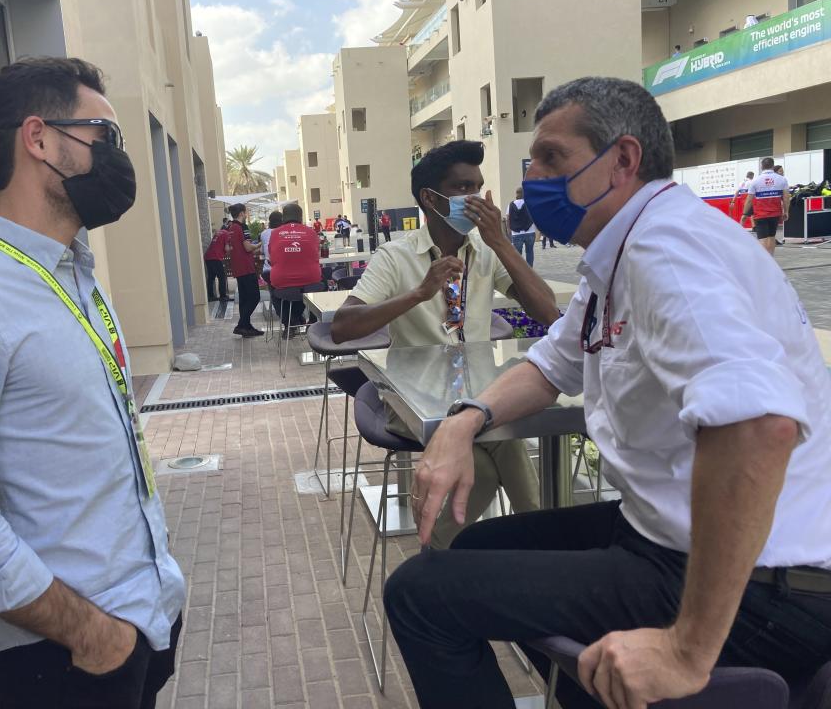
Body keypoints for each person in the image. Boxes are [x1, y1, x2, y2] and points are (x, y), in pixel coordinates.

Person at [383, 76, 831, 709]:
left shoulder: (668, 249)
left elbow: (758, 424)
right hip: (666, 534)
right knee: (480, 547)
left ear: (622, 160)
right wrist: (466, 417)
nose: (530, 176)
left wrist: (686, 650)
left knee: (420, 596)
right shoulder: (617, 256)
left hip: (766, 582)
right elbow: (550, 362)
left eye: (551, 158)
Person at [0, 57, 186, 709]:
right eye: (104, 136)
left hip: (140, 622)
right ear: (40, 138)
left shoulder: (75, 280)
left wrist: (147, 609)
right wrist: (92, 636)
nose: (118, 158)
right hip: (58, 662)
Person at [331, 140, 560, 548]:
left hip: (477, 398)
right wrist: (418, 294)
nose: (474, 199)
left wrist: (502, 243)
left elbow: (546, 313)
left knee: (486, 469)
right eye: (462, 188)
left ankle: (434, 556)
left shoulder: (486, 254)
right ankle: (547, 541)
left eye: (479, 187)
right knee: (503, 441)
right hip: (417, 399)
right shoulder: (396, 256)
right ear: (430, 198)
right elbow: (343, 327)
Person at [269, 202, 322, 336]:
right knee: (317, 287)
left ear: (283, 218)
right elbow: (317, 254)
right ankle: (313, 322)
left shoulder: (275, 233)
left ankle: (289, 324)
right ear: (300, 217)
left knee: (277, 291)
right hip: (311, 283)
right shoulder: (311, 232)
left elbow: (271, 257)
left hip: (282, 283)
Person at [226, 202, 263, 336]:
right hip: (247, 268)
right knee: (254, 297)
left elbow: (231, 249)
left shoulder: (230, 228)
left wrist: (254, 249)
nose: (247, 215)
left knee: (244, 299)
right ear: (241, 213)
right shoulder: (242, 227)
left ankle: (246, 328)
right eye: (246, 212)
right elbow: (248, 247)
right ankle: (241, 324)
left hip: (237, 267)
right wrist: (260, 243)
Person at [744, 157, 789, 256]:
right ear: (773, 166)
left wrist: (744, 214)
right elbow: (786, 197)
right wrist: (786, 211)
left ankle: (764, 262)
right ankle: (771, 260)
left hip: (760, 214)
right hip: (775, 213)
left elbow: (749, 200)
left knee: (763, 239)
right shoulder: (782, 179)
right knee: (771, 237)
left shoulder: (755, 181)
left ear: (761, 166)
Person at [260, 210, 283, 317]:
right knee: (291, 292)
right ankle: (293, 318)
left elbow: (262, 251)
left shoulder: (264, 233)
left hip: (267, 272)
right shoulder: (283, 232)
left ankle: (284, 318)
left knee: (275, 294)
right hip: (282, 271)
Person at [507, 187, 536, 267]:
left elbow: (508, 218)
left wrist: (508, 229)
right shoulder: (529, 203)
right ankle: (530, 270)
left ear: (516, 194)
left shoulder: (510, 205)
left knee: (518, 255)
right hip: (530, 231)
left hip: (516, 233)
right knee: (529, 252)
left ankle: (520, 271)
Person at [204, 223, 231, 302]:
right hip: (215, 257)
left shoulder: (219, 232)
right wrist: (232, 248)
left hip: (208, 256)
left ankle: (210, 296)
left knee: (211, 277)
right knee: (221, 276)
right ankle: (223, 296)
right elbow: (226, 248)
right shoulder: (227, 234)